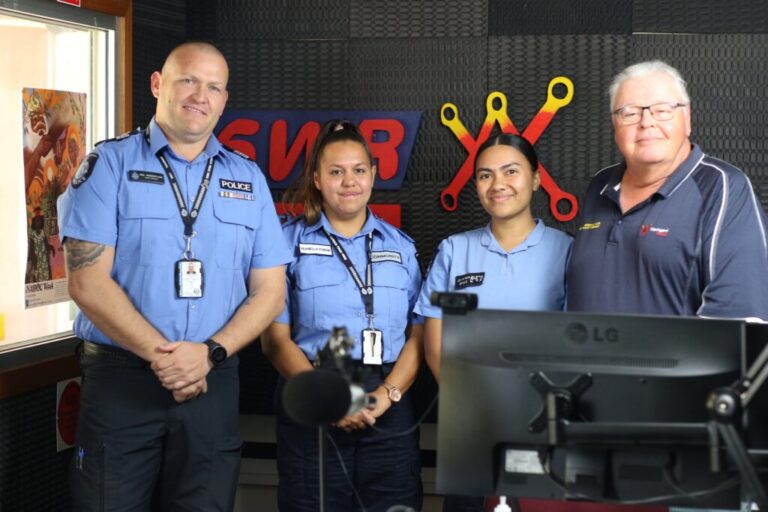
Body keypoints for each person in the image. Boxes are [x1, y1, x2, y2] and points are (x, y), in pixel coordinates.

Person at [57, 41, 292, 511]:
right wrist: (166, 359)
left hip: (212, 381)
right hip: (122, 384)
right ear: (158, 84)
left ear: (225, 100)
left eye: (213, 87)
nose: (199, 95)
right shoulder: (109, 166)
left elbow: (270, 291)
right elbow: (86, 281)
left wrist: (208, 353)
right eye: (188, 80)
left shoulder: (248, 179)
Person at [261, 120, 424, 512]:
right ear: (317, 178)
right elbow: (274, 340)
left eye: (358, 170)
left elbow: (419, 337)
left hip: (385, 398)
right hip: (313, 390)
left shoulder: (401, 248)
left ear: (373, 175)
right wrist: (328, 399)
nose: (348, 181)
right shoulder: (287, 243)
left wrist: (385, 397)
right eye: (336, 172)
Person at [414, 133, 573, 511]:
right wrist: (474, 407)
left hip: (541, 426)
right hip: (471, 428)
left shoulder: (567, 250)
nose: (497, 184)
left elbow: (573, 345)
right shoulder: (455, 250)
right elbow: (434, 343)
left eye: (510, 171)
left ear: (535, 179)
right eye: (485, 175)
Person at [567, 60, 768, 321]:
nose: (646, 122)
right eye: (629, 113)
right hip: (586, 362)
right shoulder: (600, 186)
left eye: (662, 110)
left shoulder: (723, 188)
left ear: (687, 118)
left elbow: (741, 318)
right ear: (615, 125)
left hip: (679, 363)